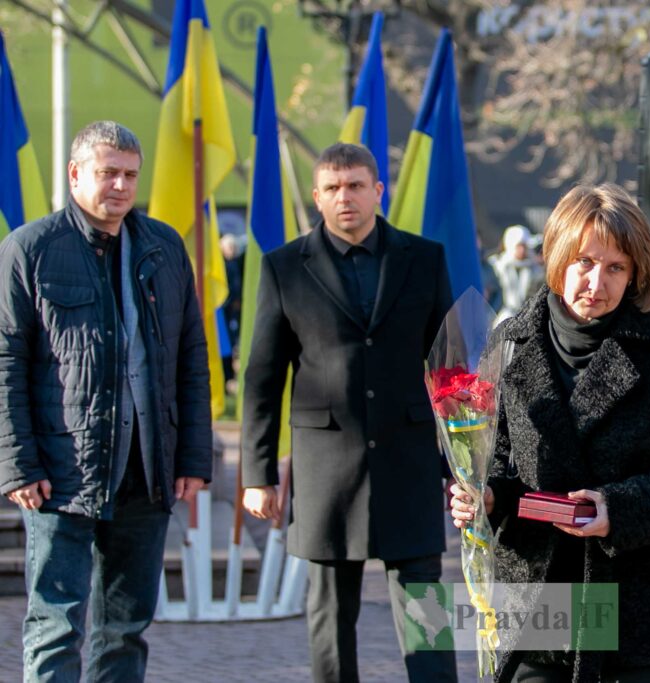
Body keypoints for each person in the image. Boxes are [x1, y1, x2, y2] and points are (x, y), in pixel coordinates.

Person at [449, 183, 650, 683]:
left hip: (641, 599)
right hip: (538, 592)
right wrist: (488, 496)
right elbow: (496, 457)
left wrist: (618, 509)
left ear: (635, 275)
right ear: (558, 257)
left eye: (615, 268)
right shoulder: (510, 342)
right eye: (584, 262)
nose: (596, 282)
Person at [0, 121, 211, 680]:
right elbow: (5, 365)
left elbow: (191, 356)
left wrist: (190, 457)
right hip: (60, 474)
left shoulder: (164, 247)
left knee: (125, 628)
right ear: (75, 175)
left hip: (146, 472)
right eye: (107, 173)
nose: (119, 186)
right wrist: (17, 464)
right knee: (55, 625)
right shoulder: (30, 249)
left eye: (129, 175)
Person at [240, 143, 457, 683]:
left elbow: (452, 368)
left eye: (356, 185)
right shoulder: (284, 268)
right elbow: (263, 379)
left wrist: (463, 468)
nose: (346, 198)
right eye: (333, 188)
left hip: (410, 463)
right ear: (316, 196)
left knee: (427, 616)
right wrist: (257, 475)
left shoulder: (424, 259)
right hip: (325, 470)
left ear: (377, 191)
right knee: (330, 618)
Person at [491, 224, 544, 322]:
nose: (522, 250)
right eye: (519, 246)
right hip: (502, 315)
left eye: (524, 246)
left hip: (527, 316)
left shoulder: (534, 268)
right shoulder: (499, 266)